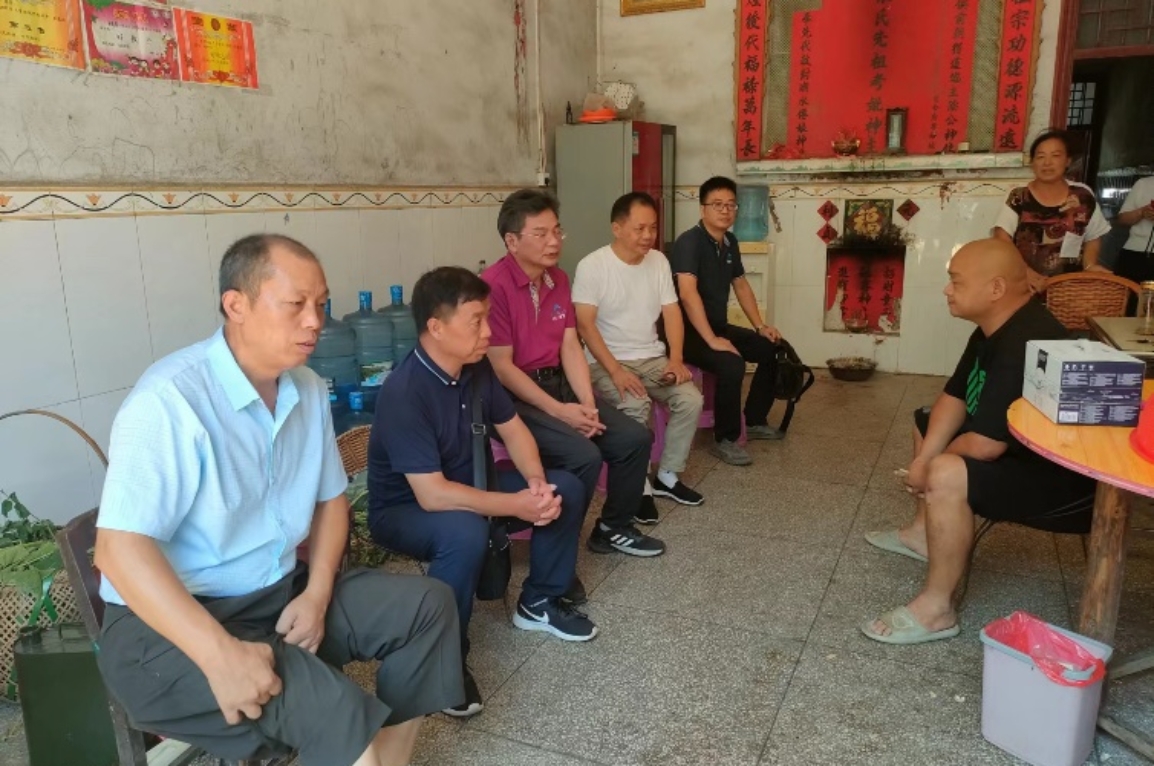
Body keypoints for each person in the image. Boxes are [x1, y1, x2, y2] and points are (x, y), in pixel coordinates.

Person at [93, 234, 462, 766]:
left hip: (277, 597)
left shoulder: (306, 388)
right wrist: (220, 657)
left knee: (428, 608)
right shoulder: (171, 400)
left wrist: (317, 594)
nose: (314, 321)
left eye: (321, 304)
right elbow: (118, 550)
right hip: (171, 630)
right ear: (236, 305)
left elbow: (331, 501)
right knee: (336, 714)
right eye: (295, 304)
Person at [367, 266, 595, 719]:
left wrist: (535, 483)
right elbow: (433, 496)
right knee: (464, 532)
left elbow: (513, 430)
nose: (488, 332)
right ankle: (444, 659)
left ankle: (539, 601)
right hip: (405, 509)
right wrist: (516, 505)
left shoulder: (476, 369)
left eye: (487, 318)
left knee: (563, 487)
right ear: (436, 327)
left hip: (468, 486)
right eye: (476, 321)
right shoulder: (404, 392)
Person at [861, 238, 1095, 645]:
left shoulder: (1027, 340)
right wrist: (925, 457)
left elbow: (986, 446)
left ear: (996, 288)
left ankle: (937, 609)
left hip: (1063, 484)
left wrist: (930, 468)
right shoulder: (993, 328)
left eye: (956, 281)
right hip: (1020, 455)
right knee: (928, 423)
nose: (947, 290)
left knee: (947, 472)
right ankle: (922, 534)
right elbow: (953, 397)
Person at [482, 189, 665, 557]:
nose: (554, 242)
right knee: (584, 455)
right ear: (512, 241)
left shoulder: (559, 280)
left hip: (560, 386)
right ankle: (556, 554)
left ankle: (613, 528)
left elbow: (570, 346)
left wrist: (586, 404)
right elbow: (502, 368)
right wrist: (562, 413)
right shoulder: (493, 286)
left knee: (633, 438)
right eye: (541, 234)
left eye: (557, 231)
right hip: (512, 400)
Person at [573, 191, 705, 509]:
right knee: (635, 405)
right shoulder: (592, 266)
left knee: (690, 399)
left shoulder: (658, 261)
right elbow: (585, 326)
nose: (648, 236)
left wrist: (675, 359)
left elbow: (671, 311)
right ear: (617, 228)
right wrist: (616, 371)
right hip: (606, 360)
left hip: (651, 356)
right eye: (640, 228)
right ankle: (639, 485)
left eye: (653, 228)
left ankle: (668, 476)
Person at [671, 176, 789, 467]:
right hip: (687, 334)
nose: (725, 210)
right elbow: (687, 294)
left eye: (731, 205)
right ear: (702, 209)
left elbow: (741, 284)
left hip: (717, 326)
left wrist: (760, 326)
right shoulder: (689, 242)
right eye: (717, 204)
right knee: (731, 363)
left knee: (771, 347)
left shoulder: (729, 242)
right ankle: (725, 439)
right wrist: (712, 340)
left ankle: (755, 419)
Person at [994, 129, 1111, 293]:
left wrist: (1090, 265)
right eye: (1040, 156)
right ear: (1032, 163)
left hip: (1069, 288)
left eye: (1055, 156)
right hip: (1024, 285)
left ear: (1068, 161)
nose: (1047, 163)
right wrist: (1023, 271)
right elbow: (1001, 238)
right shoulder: (1019, 196)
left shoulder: (1082, 195)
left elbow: (1094, 236)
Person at [1112, 175, 1154, 295]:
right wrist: (1141, 212)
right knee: (1126, 301)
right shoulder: (1143, 184)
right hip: (1134, 254)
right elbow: (1122, 219)